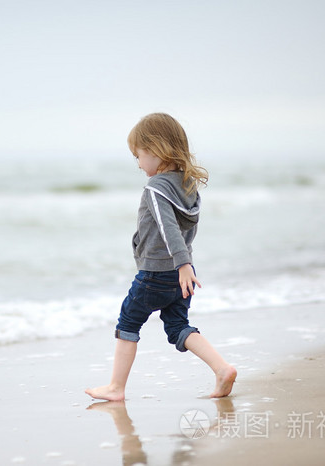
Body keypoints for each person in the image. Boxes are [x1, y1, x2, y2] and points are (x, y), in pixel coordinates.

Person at [85, 113, 237, 401]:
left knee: (128, 323)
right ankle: (221, 368)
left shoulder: (156, 188)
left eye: (139, 155)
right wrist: (185, 266)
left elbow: (168, 229)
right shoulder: (187, 185)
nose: (139, 163)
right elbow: (186, 231)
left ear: (156, 150)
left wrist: (181, 264)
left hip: (156, 274)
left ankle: (116, 387)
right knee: (178, 325)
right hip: (182, 275)